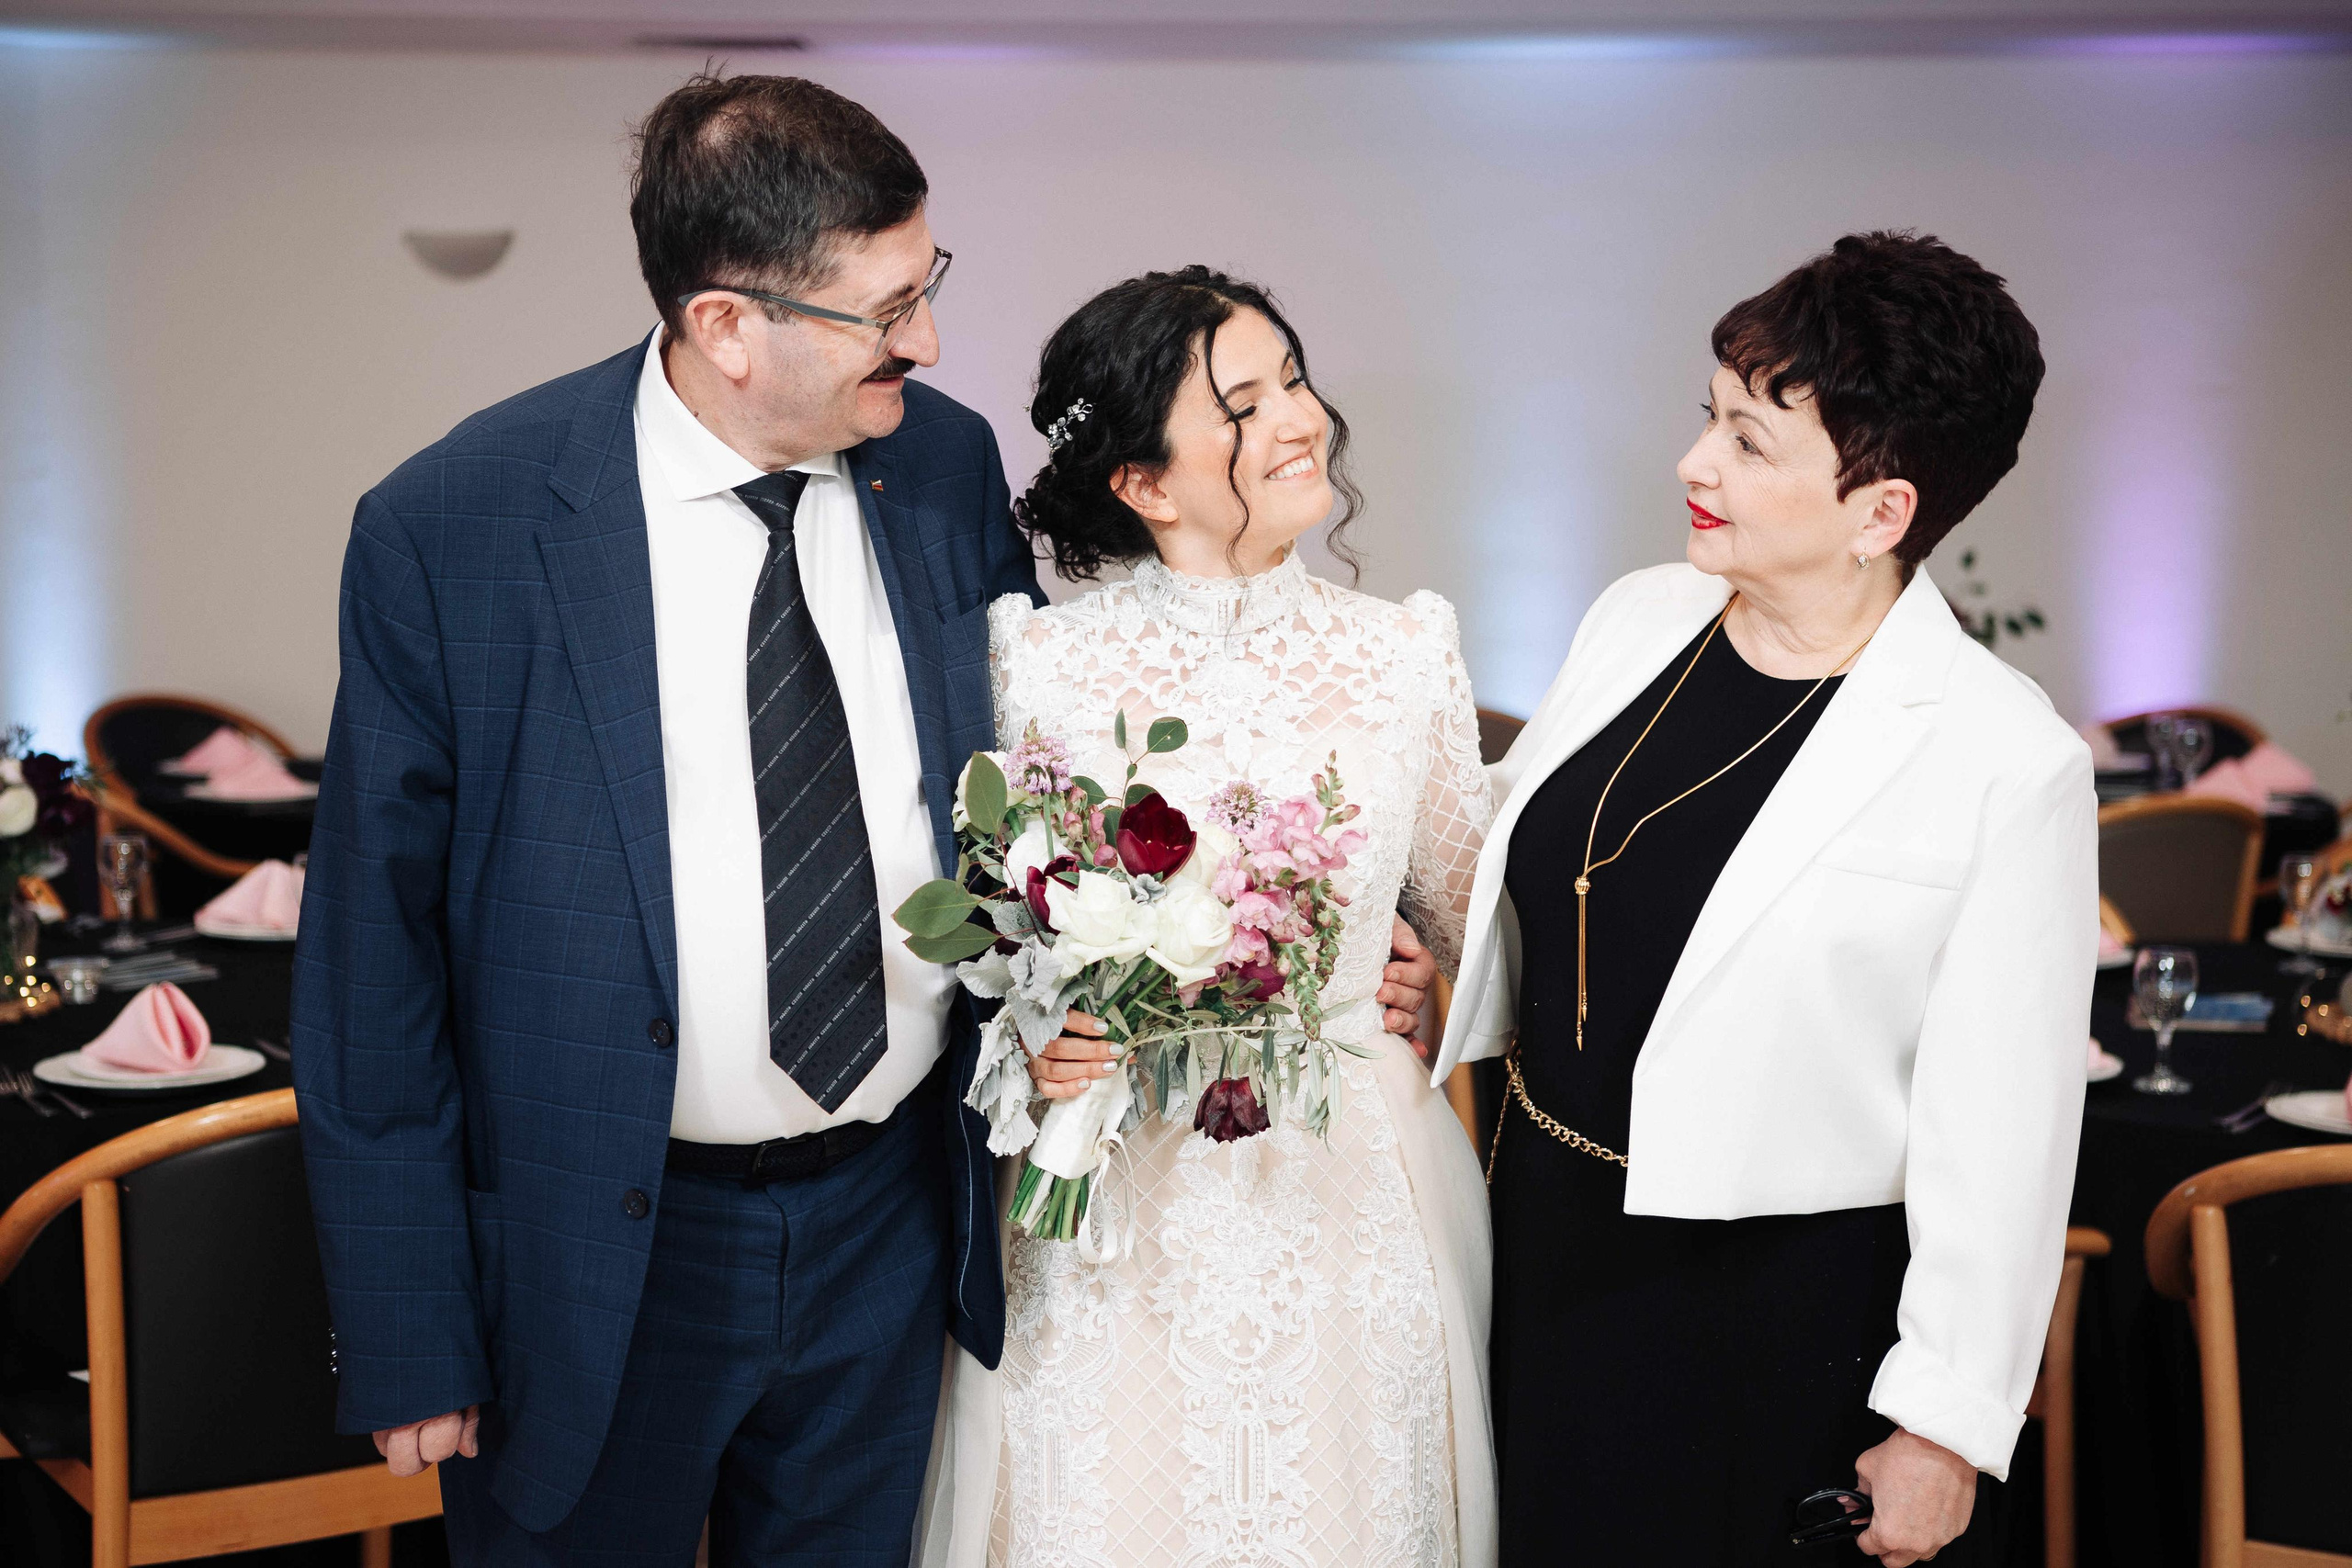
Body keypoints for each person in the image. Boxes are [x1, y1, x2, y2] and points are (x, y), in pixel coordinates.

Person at [291, 76, 1439, 1564]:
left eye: (927, 283)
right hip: (598, 1253)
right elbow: (369, 959)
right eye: (887, 309)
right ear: (727, 324)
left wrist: (1319, 941)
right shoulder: (459, 525)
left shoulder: (937, 467)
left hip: (893, 1227)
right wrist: (408, 1326)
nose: (931, 341)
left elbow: (1057, 783)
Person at [1432, 232, 2095, 1566]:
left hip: (1769, 1310)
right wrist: (1417, 953)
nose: (1696, 463)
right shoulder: (1641, 616)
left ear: (1882, 513)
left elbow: (2005, 1132)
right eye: (1710, 416)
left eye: (1748, 440)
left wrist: (1943, 1429)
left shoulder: (2003, 757)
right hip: (1546, 1234)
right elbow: (1531, 860)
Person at [919, 267, 1498, 1568]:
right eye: (1243, 404)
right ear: (1143, 481)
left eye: (1294, 378)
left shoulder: (1406, 654)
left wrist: (1418, 979)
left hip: (1343, 1194)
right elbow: (989, 940)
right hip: (1112, 1205)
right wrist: (1039, 1035)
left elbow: (1483, 932)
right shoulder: (1034, 665)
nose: (1301, 418)